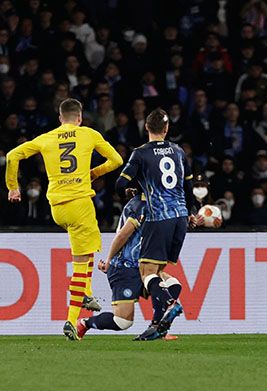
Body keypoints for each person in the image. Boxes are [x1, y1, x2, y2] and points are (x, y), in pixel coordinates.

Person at [5, 98, 123, 341]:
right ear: (79, 118)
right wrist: (94, 172)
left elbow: (12, 156)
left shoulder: (47, 138)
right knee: (81, 264)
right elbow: (117, 160)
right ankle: (71, 320)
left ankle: (88, 294)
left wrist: (13, 187)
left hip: (57, 206)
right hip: (80, 203)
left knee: (88, 250)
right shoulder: (88, 134)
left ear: (60, 119)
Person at [116, 108, 196, 341]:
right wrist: (190, 213)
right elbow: (188, 188)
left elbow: (121, 183)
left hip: (157, 216)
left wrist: (131, 189)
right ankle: (157, 326)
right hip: (180, 217)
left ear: (146, 128)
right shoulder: (179, 151)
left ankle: (171, 304)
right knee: (159, 272)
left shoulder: (140, 154)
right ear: (167, 129)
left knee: (146, 271)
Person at [74, 193, 183, 341]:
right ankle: (84, 323)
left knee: (173, 285)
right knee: (123, 322)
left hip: (141, 264)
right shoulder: (139, 205)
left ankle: (157, 329)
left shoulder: (156, 203)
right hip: (124, 266)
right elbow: (122, 236)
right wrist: (109, 260)